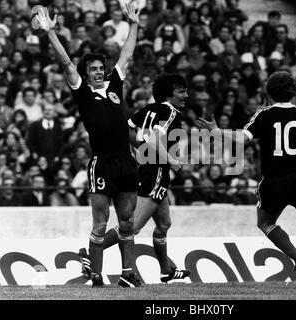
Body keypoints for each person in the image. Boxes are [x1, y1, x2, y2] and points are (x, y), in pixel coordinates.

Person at [196, 71, 296, 288]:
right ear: (293, 93)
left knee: (265, 222)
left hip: (274, 181)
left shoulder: (264, 115)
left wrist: (217, 130)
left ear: (268, 94)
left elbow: (242, 138)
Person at [34, 5, 141, 288]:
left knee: (128, 222)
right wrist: (51, 33)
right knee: (100, 223)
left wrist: (134, 25)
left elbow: (127, 55)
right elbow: (67, 63)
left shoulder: (115, 85)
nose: (98, 72)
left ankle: (128, 274)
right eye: (93, 69)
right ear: (85, 73)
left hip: (126, 161)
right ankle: (95, 276)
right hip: (102, 162)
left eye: (100, 68)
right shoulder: (82, 90)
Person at [81, 73, 191, 284]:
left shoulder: (149, 109)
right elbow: (153, 138)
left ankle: (166, 271)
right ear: (169, 95)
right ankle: (91, 253)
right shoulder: (170, 113)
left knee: (164, 224)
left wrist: (138, 150)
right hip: (156, 172)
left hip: (148, 169)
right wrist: (170, 160)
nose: (186, 95)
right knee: (133, 226)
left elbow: (127, 128)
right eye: (181, 91)